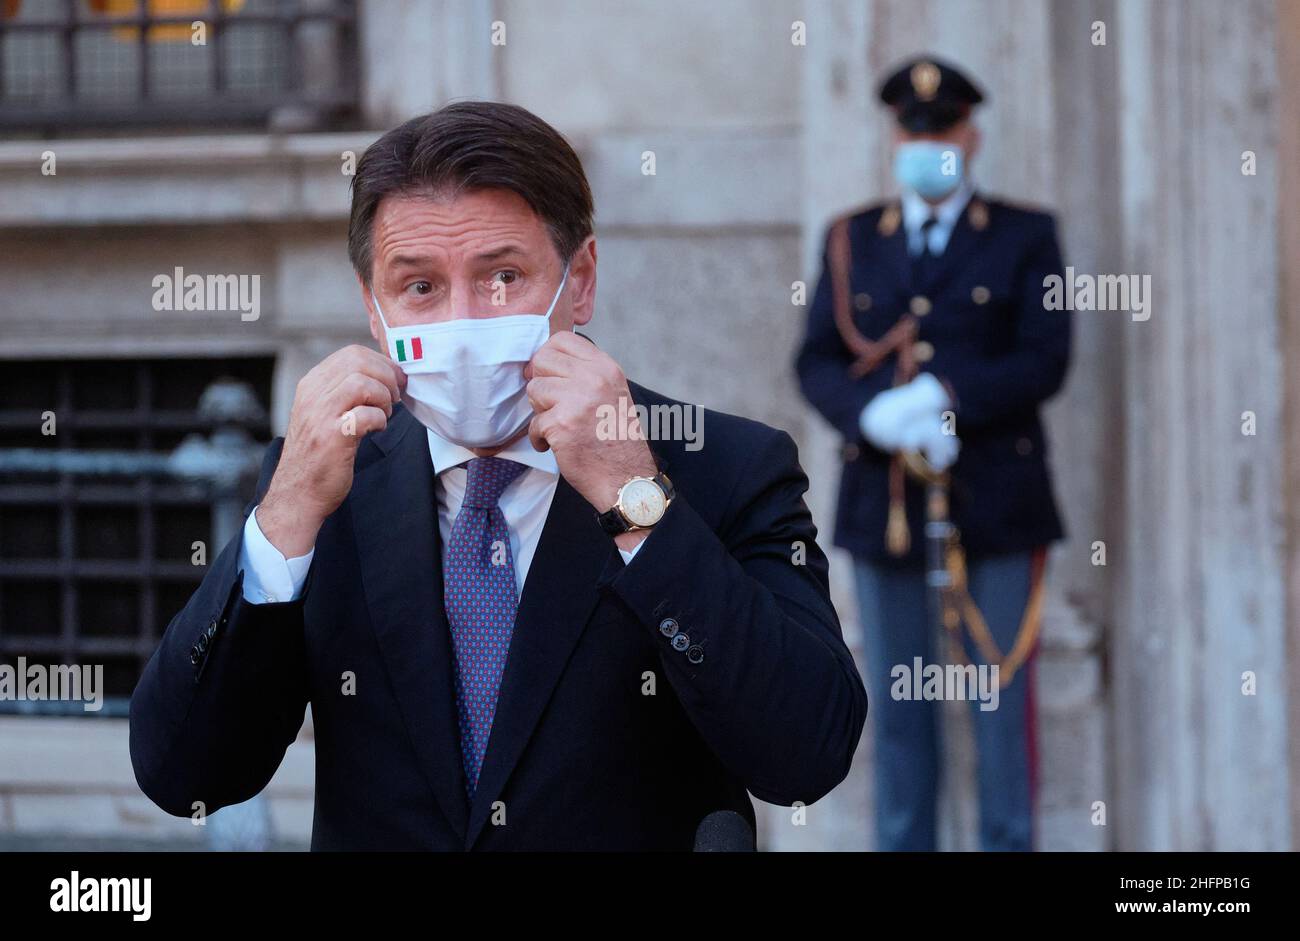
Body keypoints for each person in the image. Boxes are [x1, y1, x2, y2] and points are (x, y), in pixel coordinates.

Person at [130, 101, 867, 851]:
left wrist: (635, 501)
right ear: (374, 310)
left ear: (579, 281)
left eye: (502, 276)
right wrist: (283, 517)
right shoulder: (330, 481)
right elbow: (184, 774)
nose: (463, 319)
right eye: (419, 287)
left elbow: (806, 753)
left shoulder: (724, 467)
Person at [795, 56, 1070, 851]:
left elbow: (1045, 356)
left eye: (942, 130)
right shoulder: (852, 238)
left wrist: (949, 395)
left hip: (998, 501)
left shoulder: (1024, 234)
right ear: (894, 140)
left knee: (999, 705)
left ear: (971, 136)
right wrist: (873, 414)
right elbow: (816, 358)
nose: (927, 144)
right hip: (885, 505)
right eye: (913, 132)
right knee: (901, 711)